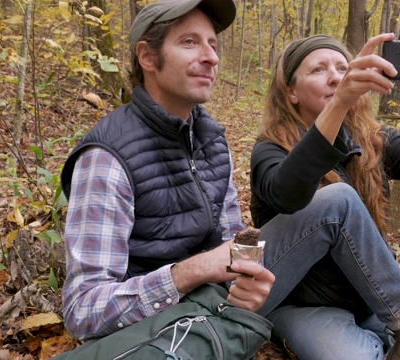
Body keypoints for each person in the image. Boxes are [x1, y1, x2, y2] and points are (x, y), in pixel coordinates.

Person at [249, 34, 400, 359]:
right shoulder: (270, 149)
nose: (335, 76)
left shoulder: (371, 138)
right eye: (318, 70)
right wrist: (338, 104)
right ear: (291, 91)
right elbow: (287, 192)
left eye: (342, 67)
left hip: (377, 292)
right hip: (309, 303)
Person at [59, 0, 274, 341]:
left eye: (213, 45)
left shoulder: (213, 142)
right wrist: (190, 272)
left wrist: (246, 280)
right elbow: (83, 310)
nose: (211, 58)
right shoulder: (107, 157)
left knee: (332, 204)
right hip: (154, 334)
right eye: (190, 42)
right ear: (148, 57)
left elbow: (233, 242)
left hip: (214, 313)